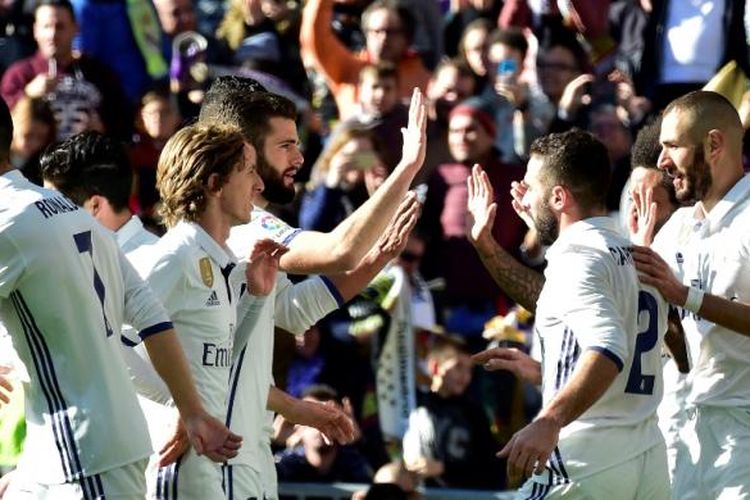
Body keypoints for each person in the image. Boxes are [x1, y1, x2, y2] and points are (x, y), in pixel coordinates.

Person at [195, 78, 425, 499]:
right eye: (284, 145)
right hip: (217, 458)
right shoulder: (236, 229)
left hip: (245, 451)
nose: (299, 158)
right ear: (243, 150)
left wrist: (377, 258)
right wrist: (406, 169)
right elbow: (339, 249)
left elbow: (294, 311)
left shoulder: (245, 226)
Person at [0, 96, 240, 496]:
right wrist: (193, 412)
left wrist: (192, 412)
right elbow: (152, 317)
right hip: (63, 455)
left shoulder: (9, 223)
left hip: (85, 455)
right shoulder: (71, 212)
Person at [469, 129, 669, 496]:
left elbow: (609, 348)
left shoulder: (577, 259)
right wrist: (489, 246)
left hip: (585, 460)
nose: (523, 198)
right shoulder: (634, 253)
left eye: (530, 188)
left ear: (559, 197)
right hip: (647, 459)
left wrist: (548, 420)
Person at [132, 123, 284, 499]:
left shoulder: (218, 262)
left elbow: (221, 357)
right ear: (215, 184)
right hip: (176, 461)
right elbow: (109, 343)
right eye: (248, 171)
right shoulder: (175, 257)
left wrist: (256, 298)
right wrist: (185, 408)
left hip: (205, 457)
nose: (259, 184)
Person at [631, 90, 750, 498]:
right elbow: (655, 322)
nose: (662, 162)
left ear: (714, 144)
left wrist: (686, 297)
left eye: (673, 146)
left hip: (743, 434)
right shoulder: (680, 225)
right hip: (682, 431)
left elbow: (681, 298)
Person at [0, 0, 131, 140]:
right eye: (46, 26)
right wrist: (28, 95)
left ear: (76, 28)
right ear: (35, 30)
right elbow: (3, 125)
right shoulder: (20, 75)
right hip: (38, 160)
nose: (52, 34)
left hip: (87, 158)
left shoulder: (99, 74)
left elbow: (123, 125)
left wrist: (102, 130)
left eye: (60, 27)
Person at [402, 335, 503, 490]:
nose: (465, 376)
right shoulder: (414, 405)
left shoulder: (473, 412)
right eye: (458, 367)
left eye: (470, 370)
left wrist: (443, 468)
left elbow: (489, 465)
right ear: (435, 367)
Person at [300, 0, 430, 120]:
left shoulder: (424, 79)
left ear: (407, 38)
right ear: (365, 35)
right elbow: (315, 38)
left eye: (391, 32)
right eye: (376, 32)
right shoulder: (347, 68)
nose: (383, 38)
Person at [40, 130, 158, 259]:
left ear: (95, 206)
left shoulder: (150, 265)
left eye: (56, 205)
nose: (47, 214)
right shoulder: (68, 256)